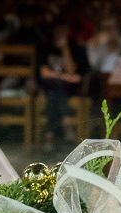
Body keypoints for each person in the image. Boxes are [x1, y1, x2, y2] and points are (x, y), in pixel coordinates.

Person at [39, 22, 89, 150]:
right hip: (52, 85)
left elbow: (72, 71)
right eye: (58, 30)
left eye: (64, 31)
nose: (61, 34)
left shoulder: (75, 47)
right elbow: (44, 73)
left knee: (54, 92)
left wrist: (65, 48)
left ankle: (49, 134)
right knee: (55, 87)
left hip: (68, 89)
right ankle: (67, 124)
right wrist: (64, 76)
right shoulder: (46, 46)